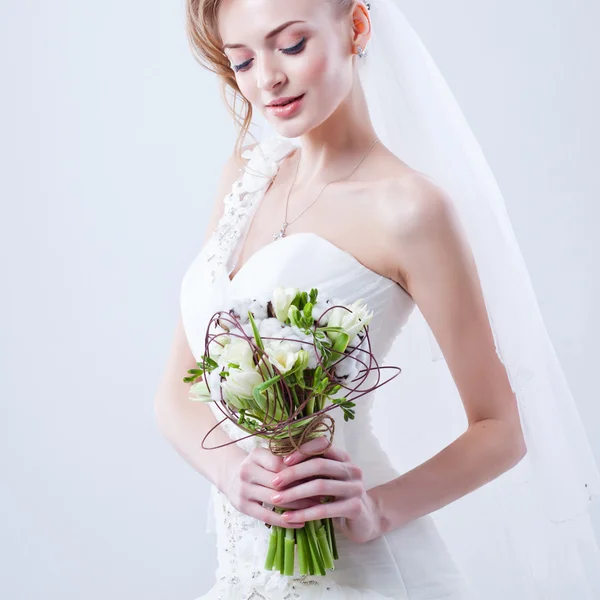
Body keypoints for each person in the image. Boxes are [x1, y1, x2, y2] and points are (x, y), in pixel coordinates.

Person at [155, 1, 600, 598]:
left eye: (290, 46)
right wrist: (234, 473)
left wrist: (377, 510)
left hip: (366, 575)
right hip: (243, 573)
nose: (267, 79)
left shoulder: (409, 208)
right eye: (241, 60)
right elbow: (175, 395)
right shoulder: (245, 175)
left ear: (356, 27)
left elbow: (501, 428)